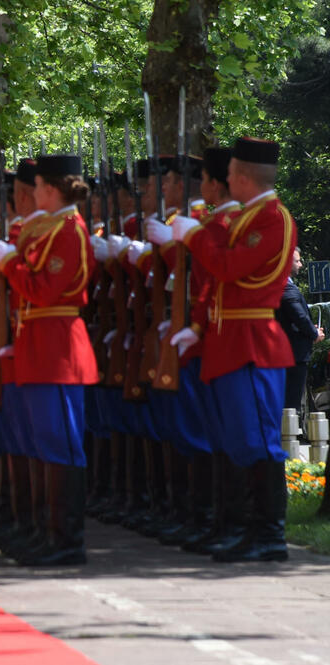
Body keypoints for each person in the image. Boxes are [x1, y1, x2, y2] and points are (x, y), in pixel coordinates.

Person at [169, 137, 296, 562]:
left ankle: (269, 534)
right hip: (230, 339)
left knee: (258, 441)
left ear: (241, 177)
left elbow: (228, 268)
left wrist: (194, 237)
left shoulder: (273, 218)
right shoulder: (249, 217)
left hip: (252, 344)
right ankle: (243, 529)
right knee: (235, 440)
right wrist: (198, 326)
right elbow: (219, 284)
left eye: (229, 173)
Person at [0, 153, 98, 566]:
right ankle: (47, 532)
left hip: (58, 344)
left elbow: (44, 290)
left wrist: (9, 263)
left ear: (51, 189)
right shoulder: (48, 228)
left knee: (60, 442)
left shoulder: (70, 231)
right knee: (42, 441)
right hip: (37, 339)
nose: (32, 194)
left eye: (37, 187)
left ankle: (67, 539)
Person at [277, 247, 324, 412]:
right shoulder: (285, 286)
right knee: (292, 404)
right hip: (293, 354)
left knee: (295, 402)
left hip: (291, 353)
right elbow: (299, 317)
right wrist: (314, 333)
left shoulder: (286, 285)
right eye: (297, 261)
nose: (301, 265)